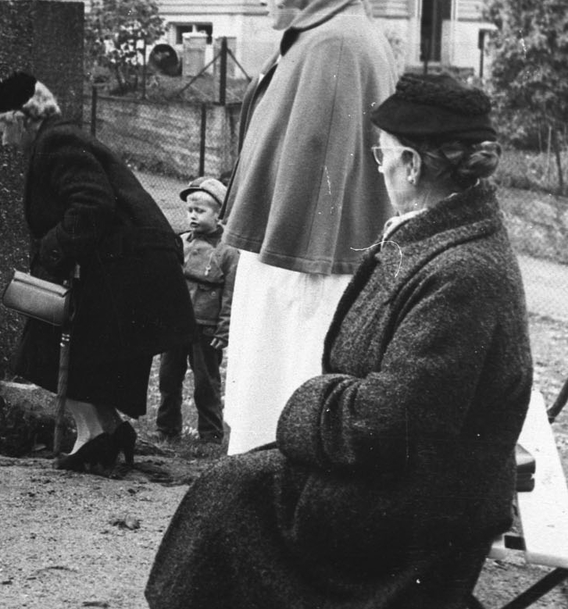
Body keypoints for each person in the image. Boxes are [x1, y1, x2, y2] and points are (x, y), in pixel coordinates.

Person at [146, 73, 532, 609]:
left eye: (383, 154)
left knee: (231, 501)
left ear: (413, 166)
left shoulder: (462, 270)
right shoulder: (444, 237)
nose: (379, 166)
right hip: (412, 483)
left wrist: (306, 401)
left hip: (425, 508)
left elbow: (388, 423)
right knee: (234, 488)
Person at [221, 0, 397, 454]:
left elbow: (325, 182)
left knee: (283, 401)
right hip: (293, 263)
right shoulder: (323, 35)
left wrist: (268, 252)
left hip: (306, 274)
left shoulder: (335, 44)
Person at [0, 72, 196, 472]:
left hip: (127, 265)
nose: (4, 141)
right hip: (126, 262)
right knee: (80, 352)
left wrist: (51, 251)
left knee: (44, 346)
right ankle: (106, 431)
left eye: (2, 130)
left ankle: (94, 436)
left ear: (19, 119)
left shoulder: (56, 143)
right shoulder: (57, 138)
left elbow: (92, 203)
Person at [155, 176, 237, 443]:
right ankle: (167, 430)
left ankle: (210, 435)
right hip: (177, 324)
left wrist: (224, 330)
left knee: (206, 384)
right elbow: (168, 284)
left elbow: (230, 294)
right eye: (190, 210)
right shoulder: (181, 242)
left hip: (206, 329)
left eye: (200, 211)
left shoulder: (227, 252)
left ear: (219, 215)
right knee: (168, 379)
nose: (192, 216)